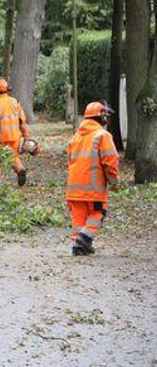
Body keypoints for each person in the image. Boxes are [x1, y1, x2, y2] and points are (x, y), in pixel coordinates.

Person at [66, 101, 120, 256]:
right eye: (105, 116)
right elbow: (110, 162)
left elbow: (69, 162)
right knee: (98, 212)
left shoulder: (76, 137)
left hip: (74, 189)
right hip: (93, 188)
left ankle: (78, 246)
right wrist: (114, 182)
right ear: (101, 117)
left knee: (79, 219)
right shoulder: (103, 135)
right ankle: (84, 238)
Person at [0, 78, 32, 186]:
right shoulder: (15, 102)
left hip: (1, 137)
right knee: (13, 156)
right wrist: (27, 137)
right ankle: (20, 169)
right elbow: (23, 121)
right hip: (15, 137)